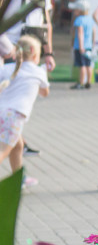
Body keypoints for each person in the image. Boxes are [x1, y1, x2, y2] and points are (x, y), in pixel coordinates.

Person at [0, 36, 49, 190]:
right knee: (3, 151)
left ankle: (18, 178)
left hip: (2, 113)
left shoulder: (8, 68)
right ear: (34, 53)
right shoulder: (38, 71)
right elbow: (45, 92)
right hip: (13, 117)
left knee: (18, 145)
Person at [70, 0, 94, 89]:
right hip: (88, 45)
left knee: (82, 65)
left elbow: (80, 33)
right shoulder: (90, 19)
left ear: (80, 10)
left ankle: (81, 83)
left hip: (81, 46)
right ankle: (88, 82)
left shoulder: (79, 20)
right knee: (88, 64)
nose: (74, 11)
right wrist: (92, 43)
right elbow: (93, 31)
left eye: (75, 9)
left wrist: (81, 46)